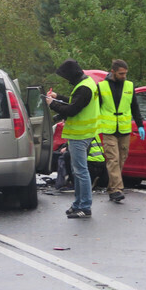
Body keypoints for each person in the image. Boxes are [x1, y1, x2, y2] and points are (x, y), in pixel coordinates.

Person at [46, 59, 100, 218]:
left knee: (81, 171)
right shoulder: (88, 83)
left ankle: (85, 207)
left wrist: (52, 104)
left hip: (80, 134)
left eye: (66, 76)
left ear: (71, 74)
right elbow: (75, 102)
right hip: (84, 133)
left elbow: (72, 110)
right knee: (79, 171)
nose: (67, 80)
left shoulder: (83, 88)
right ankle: (78, 204)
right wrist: (58, 97)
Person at [97, 59, 145, 202]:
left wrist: (140, 125)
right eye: (121, 73)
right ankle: (118, 189)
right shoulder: (102, 86)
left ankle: (112, 189)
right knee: (113, 159)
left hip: (124, 129)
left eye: (125, 73)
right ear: (113, 72)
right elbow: (95, 107)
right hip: (108, 129)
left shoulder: (129, 86)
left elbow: (134, 107)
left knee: (121, 159)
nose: (124, 76)